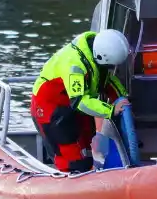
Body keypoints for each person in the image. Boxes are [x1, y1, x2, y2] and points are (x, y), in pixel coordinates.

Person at [30, 29, 131, 173]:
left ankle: (90, 173)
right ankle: (71, 177)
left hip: (73, 105)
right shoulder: (75, 66)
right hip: (50, 108)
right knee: (70, 154)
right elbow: (79, 101)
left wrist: (124, 100)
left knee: (87, 141)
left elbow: (108, 81)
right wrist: (110, 110)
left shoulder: (97, 54)